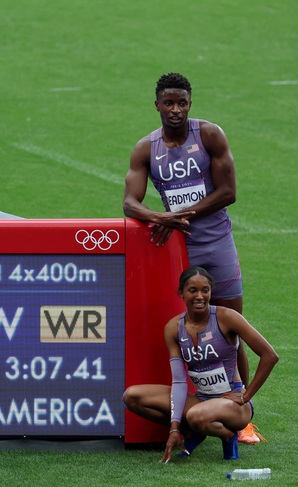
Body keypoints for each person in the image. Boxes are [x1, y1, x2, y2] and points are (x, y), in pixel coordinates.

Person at [122, 72, 261, 444]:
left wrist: (180, 217)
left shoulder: (209, 135)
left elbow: (228, 191)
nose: (175, 110)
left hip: (217, 246)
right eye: (168, 103)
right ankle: (195, 409)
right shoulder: (146, 149)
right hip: (179, 252)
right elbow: (129, 202)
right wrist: (159, 217)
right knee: (190, 332)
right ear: (157, 105)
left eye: (182, 103)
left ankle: (242, 415)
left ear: (190, 104)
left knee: (232, 329)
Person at [122, 267, 278, 463]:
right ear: (181, 292)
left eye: (205, 290)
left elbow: (270, 355)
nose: (200, 296)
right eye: (193, 290)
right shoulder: (173, 328)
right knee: (132, 396)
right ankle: (192, 431)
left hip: (234, 404)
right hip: (201, 401)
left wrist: (245, 396)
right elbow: (179, 382)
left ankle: (228, 435)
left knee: (196, 414)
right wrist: (175, 428)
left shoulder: (226, 317)